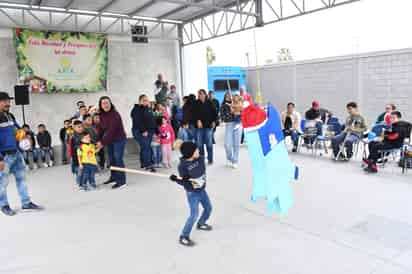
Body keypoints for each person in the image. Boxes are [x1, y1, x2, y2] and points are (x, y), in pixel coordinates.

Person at [0, 91, 43, 216]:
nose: (8, 103)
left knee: (21, 179)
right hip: (4, 156)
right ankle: (4, 205)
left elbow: (19, 130)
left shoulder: (10, 116)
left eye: (9, 101)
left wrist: (27, 137)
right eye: (5, 101)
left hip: (16, 154)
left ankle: (26, 202)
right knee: (2, 183)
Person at [169, 142, 213, 247]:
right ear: (190, 153)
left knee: (209, 208)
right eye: (196, 150)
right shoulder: (182, 166)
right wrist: (177, 179)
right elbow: (184, 183)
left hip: (202, 190)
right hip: (192, 193)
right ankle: (184, 236)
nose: (199, 151)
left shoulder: (200, 159)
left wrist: (189, 176)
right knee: (194, 215)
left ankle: (201, 223)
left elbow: (200, 171)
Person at [97, 96, 127, 189]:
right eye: (103, 103)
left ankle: (121, 181)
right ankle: (114, 177)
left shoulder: (115, 114)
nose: (105, 105)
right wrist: (98, 140)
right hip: (110, 140)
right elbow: (101, 129)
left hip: (119, 139)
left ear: (110, 103)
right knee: (111, 159)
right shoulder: (101, 115)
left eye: (107, 102)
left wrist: (102, 143)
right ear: (100, 105)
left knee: (118, 159)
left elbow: (111, 130)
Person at [131, 94, 157, 172]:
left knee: (145, 147)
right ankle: (148, 165)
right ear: (139, 101)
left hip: (149, 131)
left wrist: (155, 131)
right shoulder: (136, 109)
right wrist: (143, 131)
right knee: (146, 147)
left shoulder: (147, 109)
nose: (146, 102)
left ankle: (144, 163)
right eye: (144, 100)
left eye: (147, 100)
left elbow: (152, 120)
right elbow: (137, 121)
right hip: (140, 131)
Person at [193, 89, 217, 165]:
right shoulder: (196, 103)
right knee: (199, 144)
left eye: (201, 94)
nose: (199, 95)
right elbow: (193, 114)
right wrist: (197, 120)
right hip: (199, 127)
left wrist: (214, 121)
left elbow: (215, 113)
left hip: (208, 126)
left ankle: (210, 159)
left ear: (205, 95)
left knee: (209, 143)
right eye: (198, 94)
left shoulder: (210, 102)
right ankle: (201, 159)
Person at [221, 92, 242, 168]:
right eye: (227, 96)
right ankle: (230, 158)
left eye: (230, 96)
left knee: (236, 144)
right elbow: (222, 117)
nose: (229, 97)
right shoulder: (224, 105)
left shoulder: (237, 103)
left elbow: (243, 113)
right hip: (229, 124)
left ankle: (235, 161)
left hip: (238, 124)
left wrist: (237, 111)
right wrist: (230, 111)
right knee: (227, 145)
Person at [70, 120, 84, 187]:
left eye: (81, 126)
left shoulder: (84, 135)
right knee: (79, 171)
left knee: (83, 171)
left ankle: (82, 182)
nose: (81, 128)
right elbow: (72, 149)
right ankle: (79, 183)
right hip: (76, 157)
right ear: (74, 128)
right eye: (79, 127)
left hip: (83, 157)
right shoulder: (73, 137)